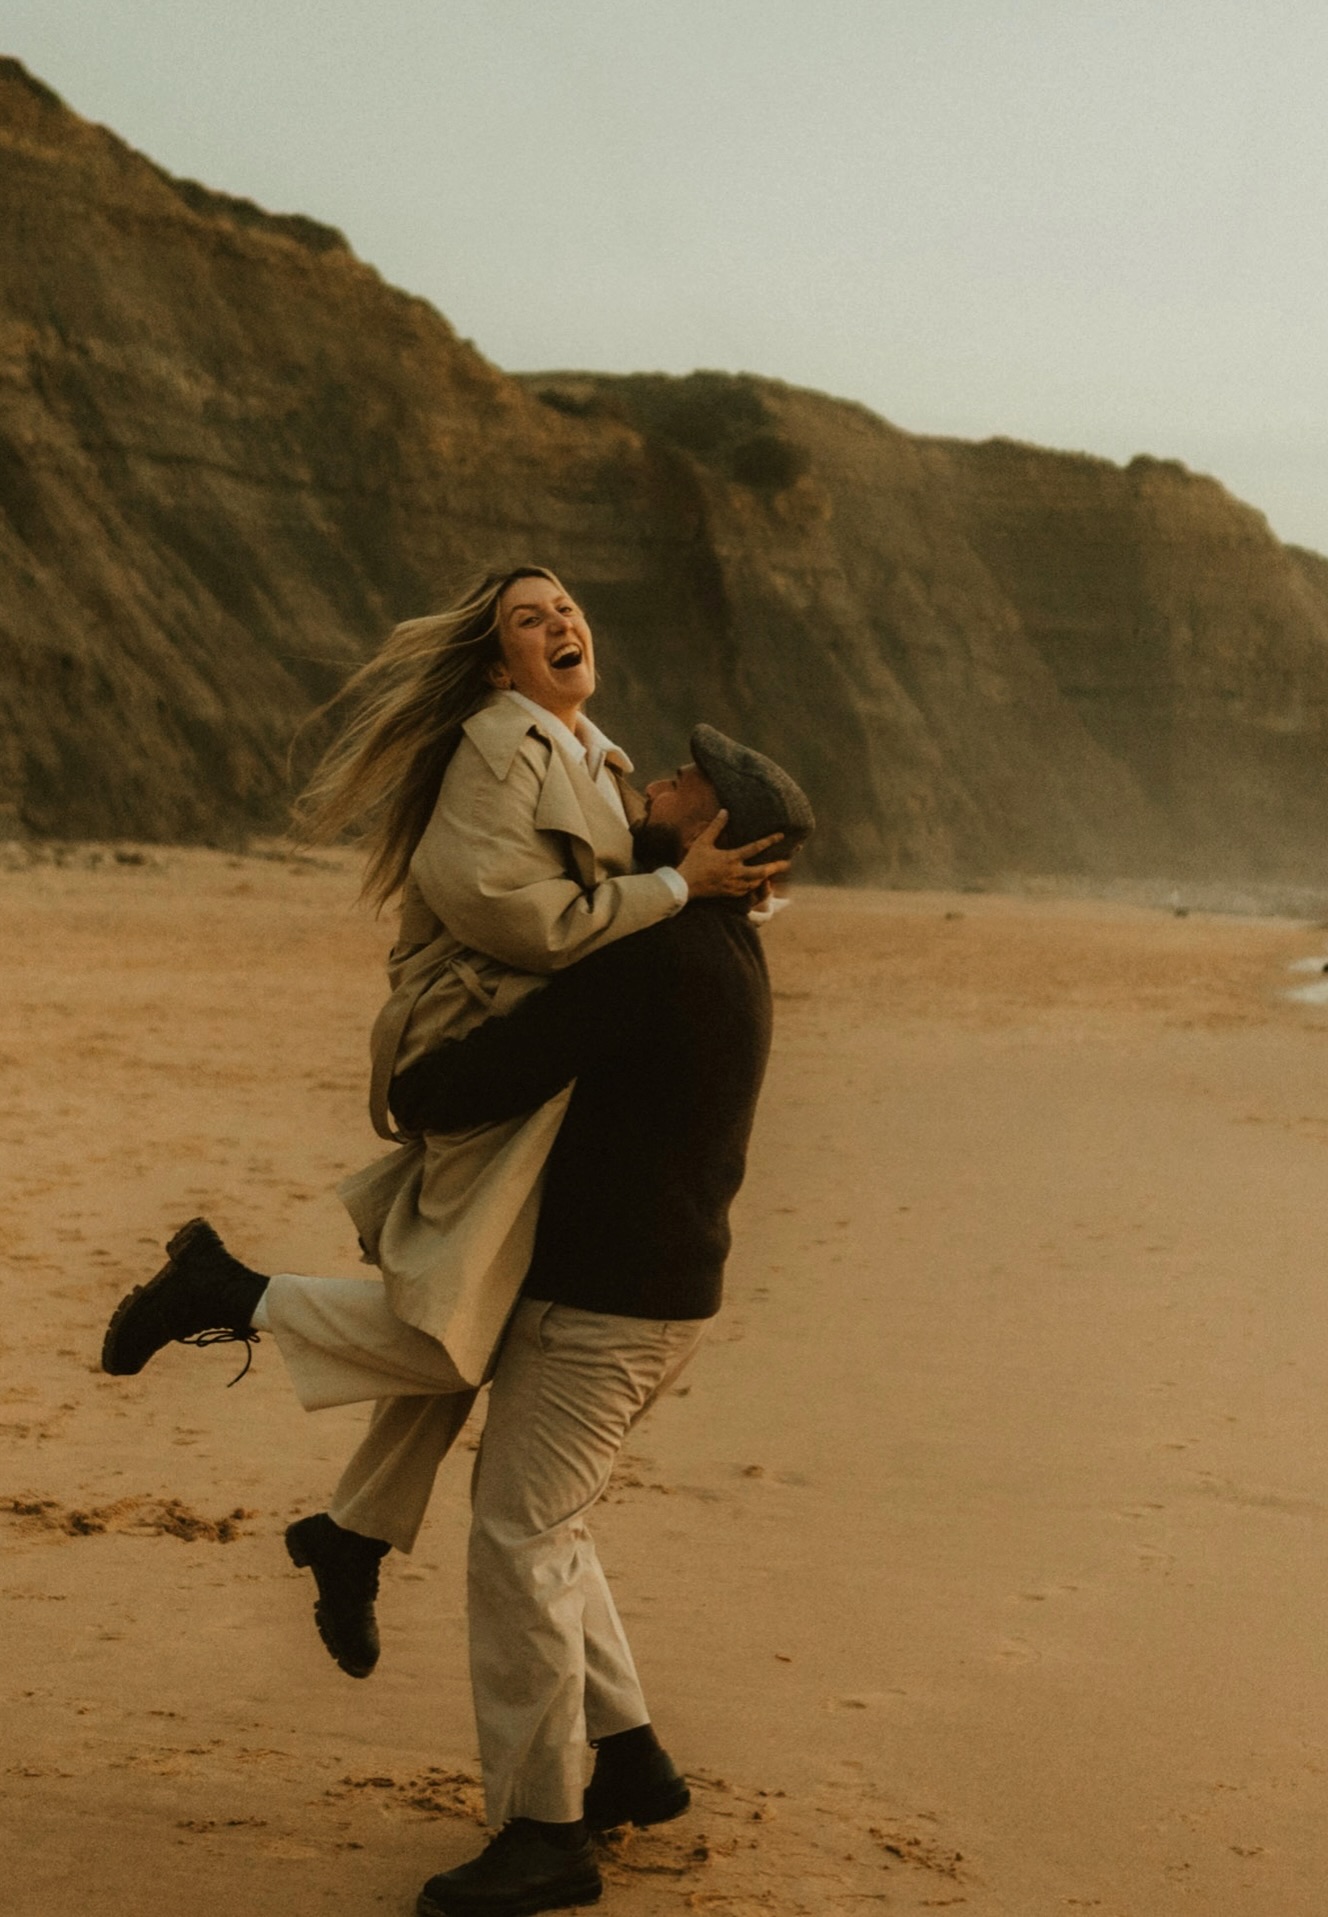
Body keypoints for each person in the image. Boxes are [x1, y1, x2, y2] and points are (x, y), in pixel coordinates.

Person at [104, 728, 813, 1917]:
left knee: (521, 1538)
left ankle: (547, 1835)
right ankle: (630, 1759)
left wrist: (421, 1087)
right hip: (644, 1291)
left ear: (721, 834)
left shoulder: (666, 952)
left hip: (608, 1305)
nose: (663, 781)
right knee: (530, 1487)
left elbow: (496, 1070)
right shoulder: (719, 945)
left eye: (689, 783)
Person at [102, 566, 786, 1673]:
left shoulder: (593, 755)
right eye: (530, 619)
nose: (561, 623)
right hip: (474, 1035)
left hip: (538, 1047)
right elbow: (517, 923)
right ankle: (223, 1296)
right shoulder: (493, 749)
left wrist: (702, 892)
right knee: (460, 1320)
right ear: (494, 662)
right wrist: (678, 893)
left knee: (478, 1315)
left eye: (565, 607)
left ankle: (352, 1530)